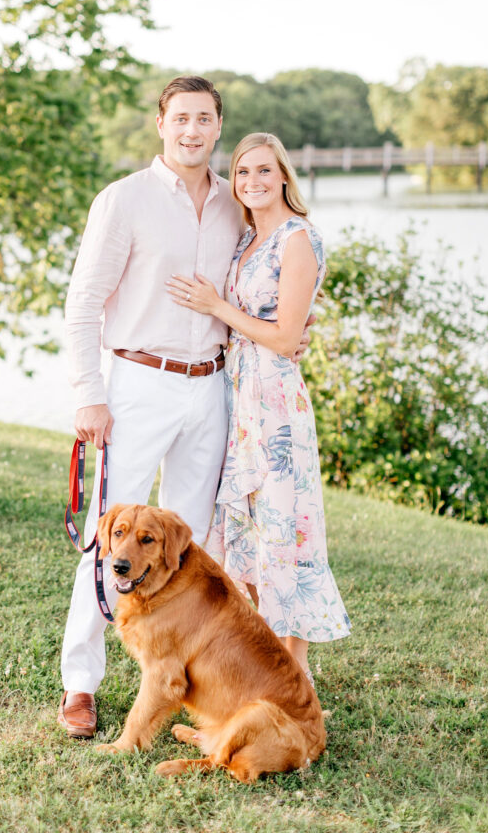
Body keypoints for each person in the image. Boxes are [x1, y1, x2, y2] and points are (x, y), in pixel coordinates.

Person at [58, 77, 314, 737]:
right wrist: (88, 393)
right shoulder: (124, 201)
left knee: (183, 549)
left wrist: (293, 330)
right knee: (109, 535)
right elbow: (83, 303)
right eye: (181, 119)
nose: (192, 130)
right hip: (137, 383)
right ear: (160, 124)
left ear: (218, 126)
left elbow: (273, 273)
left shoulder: (236, 205)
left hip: (212, 388)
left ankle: (186, 679)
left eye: (204, 119)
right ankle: (80, 684)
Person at [166, 132, 350, 685]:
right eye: (243, 173)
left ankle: (296, 680)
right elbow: (270, 326)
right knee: (246, 533)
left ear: (285, 176)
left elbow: (285, 333)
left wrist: (218, 305)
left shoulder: (299, 238)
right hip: (236, 398)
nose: (253, 182)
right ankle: (257, 670)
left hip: (275, 407)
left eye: (265, 171)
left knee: (284, 537)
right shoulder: (247, 239)